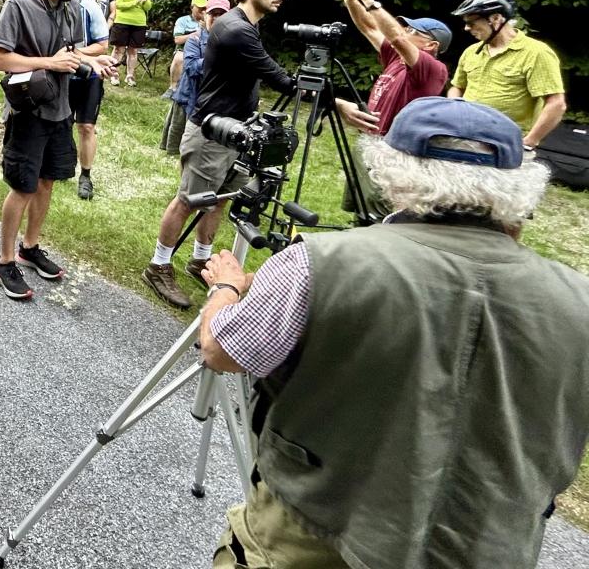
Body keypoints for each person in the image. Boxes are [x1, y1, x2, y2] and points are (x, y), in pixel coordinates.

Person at [198, 97, 589, 569]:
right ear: (521, 188)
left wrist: (225, 285)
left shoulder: (319, 262)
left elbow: (223, 348)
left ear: (390, 171)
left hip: (314, 535)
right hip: (490, 546)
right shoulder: (578, 297)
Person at [144, 0, 296, 309]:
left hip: (235, 131)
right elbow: (279, 78)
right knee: (188, 200)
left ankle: (200, 259)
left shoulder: (247, 25)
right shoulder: (235, 28)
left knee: (221, 199)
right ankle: (159, 265)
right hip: (211, 131)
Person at [0, 0, 101, 300]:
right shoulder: (20, 5)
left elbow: (71, 51)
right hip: (28, 111)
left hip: (60, 109)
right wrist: (49, 62)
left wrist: (92, 60)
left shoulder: (71, 6)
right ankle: (5, 262)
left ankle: (29, 248)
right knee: (24, 186)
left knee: (48, 182)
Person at [448, 0, 566, 149]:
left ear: (496, 18)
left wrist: (530, 142)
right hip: (465, 137)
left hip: (505, 144)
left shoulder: (536, 52)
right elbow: (458, 86)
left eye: (471, 22)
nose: (466, 28)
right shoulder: (471, 51)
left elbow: (556, 104)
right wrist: (454, 106)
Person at [336, 0, 451, 136]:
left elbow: (398, 38)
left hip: (396, 148)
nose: (404, 31)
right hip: (372, 141)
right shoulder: (397, 57)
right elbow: (370, 28)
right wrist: (351, 0)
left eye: (411, 30)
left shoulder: (433, 68)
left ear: (431, 45)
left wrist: (370, 2)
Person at [162, 0, 230, 155]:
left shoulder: (234, 40)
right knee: (183, 148)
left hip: (216, 101)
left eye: (221, 14)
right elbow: (192, 68)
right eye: (213, 14)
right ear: (205, 15)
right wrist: (219, 60)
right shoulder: (195, 39)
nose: (217, 18)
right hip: (189, 98)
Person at [68, 0, 111, 199]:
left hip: (89, 76)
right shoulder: (52, 8)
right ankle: (60, 164)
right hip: (61, 75)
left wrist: (75, 53)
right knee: (59, 123)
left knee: (86, 126)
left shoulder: (90, 7)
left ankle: (85, 176)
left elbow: (102, 45)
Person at [107, 0, 151, 86]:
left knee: (133, 51)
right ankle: (114, 74)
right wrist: (136, 1)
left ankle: (130, 76)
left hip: (139, 23)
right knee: (118, 49)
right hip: (123, 21)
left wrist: (145, 2)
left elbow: (148, 7)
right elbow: (119, 5)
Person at [167, 0, 207, 95]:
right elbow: (177, 40)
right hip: (184, 50)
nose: (202, 10)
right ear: (192, 7)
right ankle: (173, 88)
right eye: (200, 7)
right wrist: (195, 34)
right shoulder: (183, 21)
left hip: (205, 50)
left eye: (205, 8)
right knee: (179, 58)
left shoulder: (210, 20)